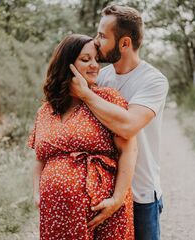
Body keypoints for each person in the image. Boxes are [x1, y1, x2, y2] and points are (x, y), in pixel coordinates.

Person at [69, 5, 169, 240]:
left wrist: (86, 94)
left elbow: (128, 126)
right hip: (103, 190)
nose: (96, 41)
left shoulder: (153, 81)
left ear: (124, 44)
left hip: (140, 194)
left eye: (103, 36)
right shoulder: (101, 77)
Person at [28, 34, 137, 240]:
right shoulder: (45, 111)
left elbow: (128, 150)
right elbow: (40, 158)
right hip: (56, 213)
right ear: (66, 64)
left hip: (104, 212)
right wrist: (37, 194)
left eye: (96, 59)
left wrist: (117, 199)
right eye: (86, 60)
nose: (95, 65)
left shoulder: (107, 99)